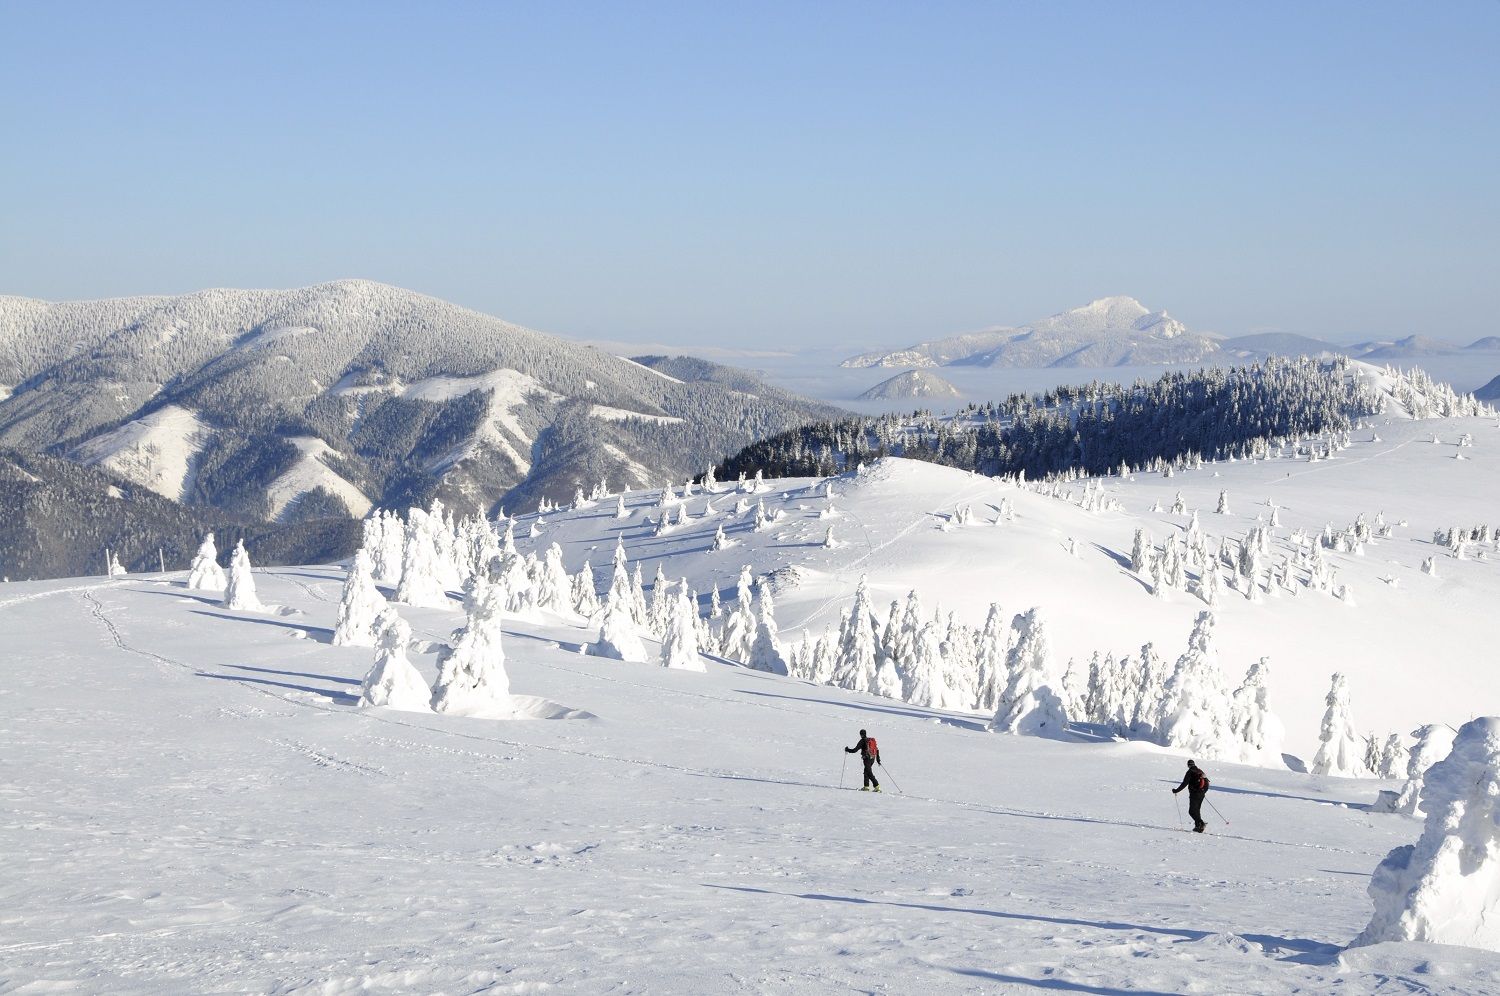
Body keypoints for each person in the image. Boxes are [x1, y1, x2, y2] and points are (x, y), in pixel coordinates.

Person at [1172, 759, 1210, 832]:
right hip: (1201, 794)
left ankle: (1201, 823)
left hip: (1194, 794)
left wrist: (1176, 790)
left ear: (1188, 765)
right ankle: (1198, 827)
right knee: (1197, 810)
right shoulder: (1200, 771)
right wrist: (1203, 792)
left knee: (1191, 811)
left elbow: (1184, 783)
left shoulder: (1190, 772)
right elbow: (1207, 783)